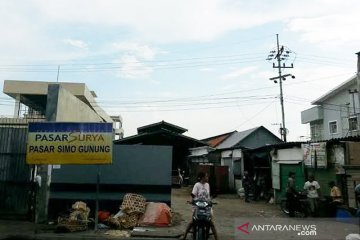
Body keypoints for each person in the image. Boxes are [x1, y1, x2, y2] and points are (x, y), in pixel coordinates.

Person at [181, 172, 218, 240]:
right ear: (202, 178)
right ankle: (184, 236)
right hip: (197, 205)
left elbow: (208, 196)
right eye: (206, 176)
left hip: (206, 206)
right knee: (193, 221)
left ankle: (217, 238)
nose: (207, 178)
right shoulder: (197, 185)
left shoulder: (207, 185)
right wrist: (192, 200)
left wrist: (211, 200)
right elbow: (193, 195)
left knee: (210, 222)